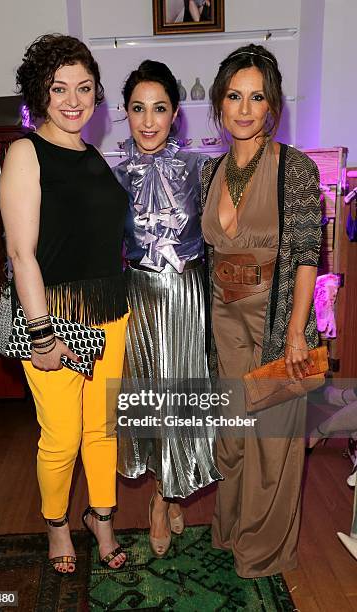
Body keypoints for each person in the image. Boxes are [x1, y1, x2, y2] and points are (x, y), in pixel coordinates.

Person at [0, 34, 129, 574]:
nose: (73, 100)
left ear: (97, 94)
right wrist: (41, 333)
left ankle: (100, 516)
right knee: (61, 436)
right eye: (59, 88)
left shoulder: (93, 154)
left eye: (84, 88)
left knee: (102, 429)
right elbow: (20, 253)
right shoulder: (26, 151)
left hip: (110, 312)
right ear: (40, 93)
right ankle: (57, 523)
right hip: (53, 318)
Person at [201, 44, 322, 577]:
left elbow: (305, 257)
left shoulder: (293, 167)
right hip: (223, 324)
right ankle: (229, 533)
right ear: (219, 105)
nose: (245, 108)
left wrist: (297, 334)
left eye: (257, 97)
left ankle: (264, 553)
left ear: (272, 105)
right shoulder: (209, 171)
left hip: (276, 325)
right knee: (232, 438)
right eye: (234, 95)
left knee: (272, 445)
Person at [113, 60, 222, 557]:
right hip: (137, 299)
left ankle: (163, 498)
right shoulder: (112, 178)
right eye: (139, 109)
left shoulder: (201, 169)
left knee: (180, 401)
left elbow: (226, 237)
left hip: (185, 298)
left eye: (159, 108)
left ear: (176, 113)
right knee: (150, 402)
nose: (149, 120)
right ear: (126, 113)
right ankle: (167, 493)